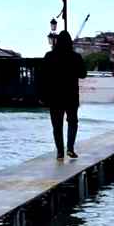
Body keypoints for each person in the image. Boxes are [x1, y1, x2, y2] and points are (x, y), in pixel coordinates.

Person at [40, 30, 87, 160]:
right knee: (72, 122)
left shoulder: (49, 56)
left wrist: (43, 96)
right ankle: (70, 148)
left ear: (57, 42)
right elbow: (83, 74)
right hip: (71, 95)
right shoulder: (75, 57)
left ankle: (60, 152)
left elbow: (43, 77)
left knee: (57, 125)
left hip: (54, 96)